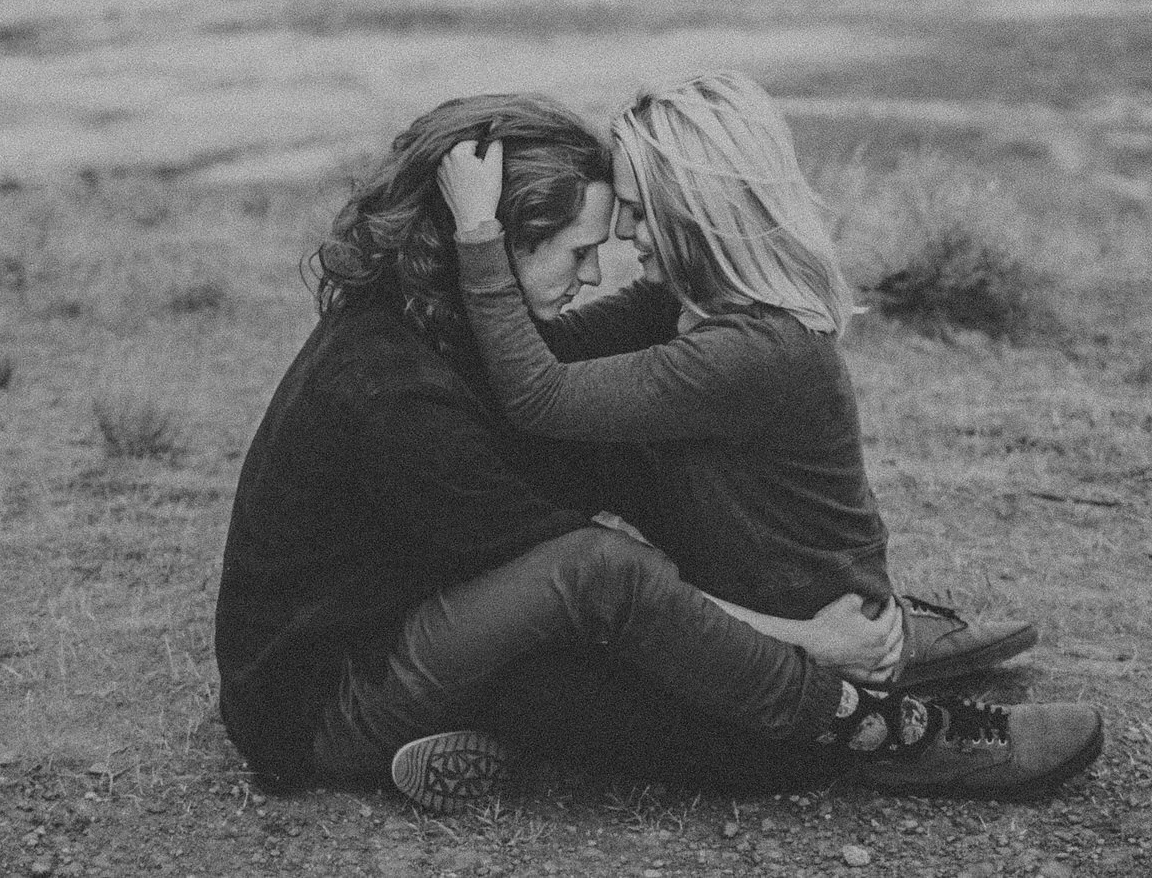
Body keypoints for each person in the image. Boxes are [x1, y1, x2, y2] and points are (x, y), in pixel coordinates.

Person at [214, 92, 1097, 813]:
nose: (597, 271)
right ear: (508, 236)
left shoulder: (426, 321)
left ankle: (866, 636)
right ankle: (875, 724)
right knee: (626, 604)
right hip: (328, 701)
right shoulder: (396, 393)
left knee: (637, 671)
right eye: (580, 248)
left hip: (422, 622)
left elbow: (562, 409)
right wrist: (804, 641)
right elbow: (595, 568)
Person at [439, 70, 1100, 780]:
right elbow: (550, 353)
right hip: (770, 610)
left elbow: (539, 393)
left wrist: (478, 232)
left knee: (556, 690)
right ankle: (909, 648)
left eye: (637, 211)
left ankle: (910, 737)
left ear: (695, 209)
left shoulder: (753, 351)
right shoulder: (688, 306)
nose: (626, 234)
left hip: (797, 645)